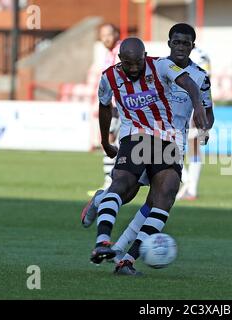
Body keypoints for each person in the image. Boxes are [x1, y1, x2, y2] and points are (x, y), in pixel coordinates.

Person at [82, 36, 208, 276]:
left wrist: (199, 107)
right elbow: (104, 106)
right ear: (120, 60)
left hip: (167, 138)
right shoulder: (109, 77)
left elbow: (189, 84)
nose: (133, 68)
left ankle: (126, 261)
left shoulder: (160, 65)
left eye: (138, 63)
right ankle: (102, 243)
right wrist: (104, 141)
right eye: (128, 64)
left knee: (166, 194)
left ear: (144, 56)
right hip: (135, 136)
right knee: (124, 188)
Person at [88, 24, 122, 196]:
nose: (105, 38)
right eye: (102, 35)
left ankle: (111, 181)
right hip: (113, 104)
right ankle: (112, 180)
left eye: (108, 34)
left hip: (120, 104)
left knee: (109, 139)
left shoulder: (120, 51)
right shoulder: (110, 54)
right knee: (110, 139)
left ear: (116, 34)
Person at [176, 46, 212, 201]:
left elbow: (201, 81)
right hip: (199, 102)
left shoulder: (191, 56)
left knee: (173, 146)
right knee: (193, 147)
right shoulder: (202, 54)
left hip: (188, 104)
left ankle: (189, 184)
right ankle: (191, 188)